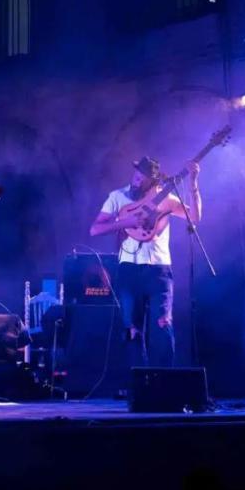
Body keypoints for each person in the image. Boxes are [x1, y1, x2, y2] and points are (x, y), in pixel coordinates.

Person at [88, 156, 201, 369]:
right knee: (132, 329)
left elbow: (194, 217)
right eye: (137, 174)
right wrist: (127, 222)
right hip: (129, 269)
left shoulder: (165, 198)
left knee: (163, 323)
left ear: (154, 181)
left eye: (144, 177)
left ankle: (165, 382)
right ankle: (139, 385)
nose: (138, 179)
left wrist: (193, 182)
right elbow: (95, 229)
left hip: (159, 270)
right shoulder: (118, 197)